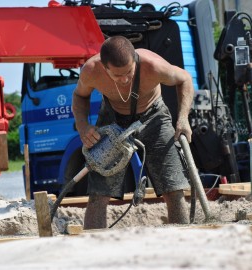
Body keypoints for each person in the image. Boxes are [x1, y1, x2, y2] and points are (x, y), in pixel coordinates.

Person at [72, 35, 194, 229]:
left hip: (154, 117)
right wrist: (83, 126)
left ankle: (182, 242)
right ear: (104, 68)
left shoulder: (152, 65)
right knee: (98, 192)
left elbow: (185, 79)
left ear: (134, 61)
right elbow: (79, 96)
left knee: (174, 187)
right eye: (117, 75)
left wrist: (183, 118)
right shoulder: (91, 70)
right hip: (112, 118)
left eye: (129, 71)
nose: (125, 79)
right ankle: (94, 248)